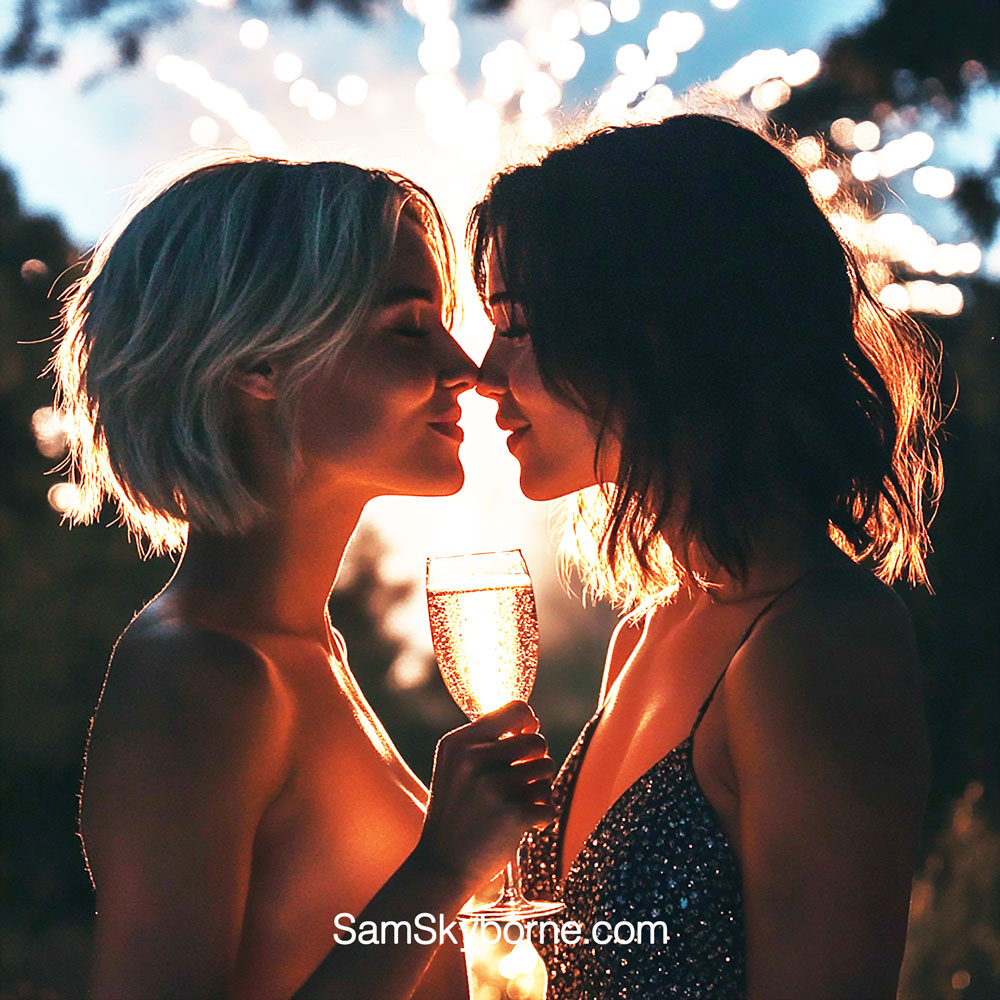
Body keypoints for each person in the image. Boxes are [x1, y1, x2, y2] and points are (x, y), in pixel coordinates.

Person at [52, 151, 555, 1000]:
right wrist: (441, 871)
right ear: (260, 363)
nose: (463, 366)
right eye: (408, 327)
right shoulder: (199, 673)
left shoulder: (305, 648)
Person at [469, 113, 943, 999]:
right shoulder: (644, 632)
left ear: (654, 329)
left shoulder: (817, 645)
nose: (485, 373)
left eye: (521, 325)